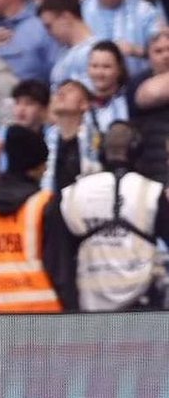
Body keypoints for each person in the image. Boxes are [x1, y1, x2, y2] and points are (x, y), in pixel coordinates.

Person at [59, 120, 169, 311]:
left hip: (88, 309)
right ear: (137, 150)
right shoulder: (151, 191)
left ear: (101, 150)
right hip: (143, 309)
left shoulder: (73, 193)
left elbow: (62, 257)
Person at [0, 125, 73, 313]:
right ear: (34, 167)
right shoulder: (44, 204)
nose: (46, 170)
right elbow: (60, 269)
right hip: (47, 319)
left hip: (0, 316)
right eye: (44, 163)